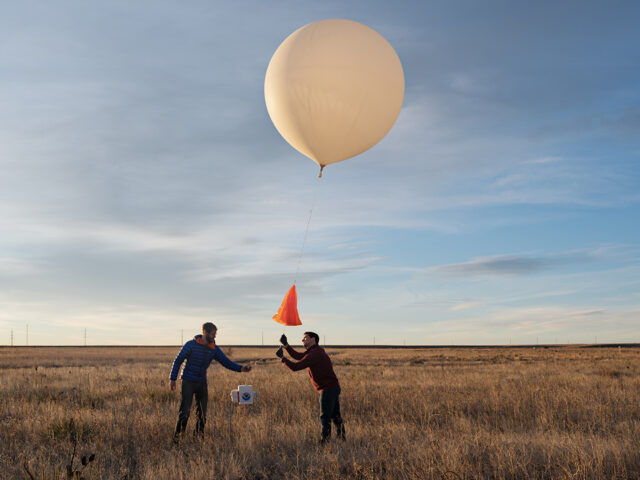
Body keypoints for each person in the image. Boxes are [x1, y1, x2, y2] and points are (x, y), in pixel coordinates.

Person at [170, 322, 251, 440]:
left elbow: (226, 362)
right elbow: (178, 361)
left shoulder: (213, 348)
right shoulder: (190, 345)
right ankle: (177, 439)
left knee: (202, 413)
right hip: (188, 381)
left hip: (202, 382)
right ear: (205, 333)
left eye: (215, 335)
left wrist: (241, 368)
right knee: (185, 411)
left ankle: (198, 438)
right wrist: (173, 379)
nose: (214, 337)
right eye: (212, 334)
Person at [277, 332, 345, 443]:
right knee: (335, 416)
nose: (302, 340)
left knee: (325, 417)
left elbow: (296, 366)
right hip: (332, 387)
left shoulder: (315, 354)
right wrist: (286, 345)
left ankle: (325, 442)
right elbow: (299, 356)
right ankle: (342, 439)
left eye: (305, 338)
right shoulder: (315, 351)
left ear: (313, 339)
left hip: (327, 389)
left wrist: (283, 359)